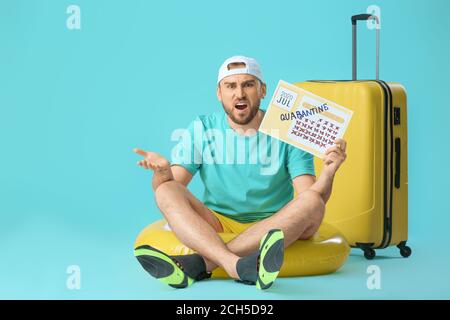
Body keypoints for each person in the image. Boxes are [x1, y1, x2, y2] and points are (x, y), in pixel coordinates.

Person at [133, 55, 347, 290]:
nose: (240, 94)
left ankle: (201, 264)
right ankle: (237, 265)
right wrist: (162, 173)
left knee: (313, 202)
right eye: (230, 86)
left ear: (262, 90)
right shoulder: (203, 127)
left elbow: (310, 198)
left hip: (275, 224)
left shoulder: (288, 128)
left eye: (248, 84)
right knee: (166, 190)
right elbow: (172, 190)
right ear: (219, 93)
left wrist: (329, 173)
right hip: (219, 223)